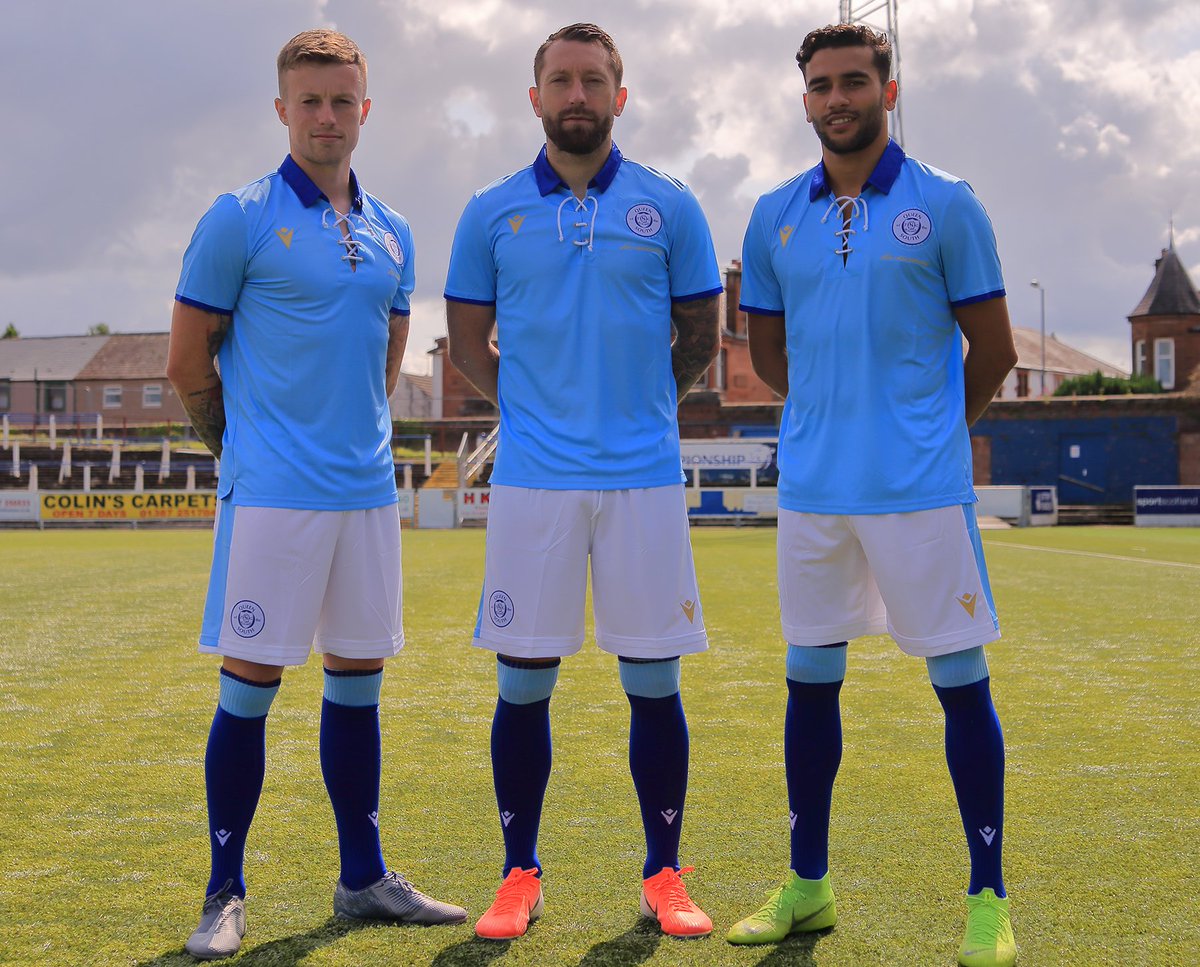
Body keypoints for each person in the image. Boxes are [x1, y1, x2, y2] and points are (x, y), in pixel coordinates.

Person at [167, 28, 466, 961]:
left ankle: (363, 876)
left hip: (365, 496)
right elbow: (186, 364)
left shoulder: (393, 229)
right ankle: (224, 891)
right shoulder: (239, 217)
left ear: (364, 110)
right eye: (310, 101)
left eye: (343, 101)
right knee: (251, 688)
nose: (327, 117)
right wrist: (241, 448)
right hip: (272, 499)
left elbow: (386, 351)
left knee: (357, 687)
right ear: (282, 109)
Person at [725, 24, 1020, 967]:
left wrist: (926, 429)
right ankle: (808, 884)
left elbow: (998, 350)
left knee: (959, 686)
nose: (838, 98)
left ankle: (988, 897)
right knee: (810, 683)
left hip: (920, 496)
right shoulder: (774, 213)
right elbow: (768, 356)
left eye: (856, 81)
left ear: (888, 91)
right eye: (821, 85)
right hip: (815, 491)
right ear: (804, 99)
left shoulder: (947, 205)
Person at [444, 22, 722, 942]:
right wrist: (537, 408)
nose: (576, 95)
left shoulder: (670, 206)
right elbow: (471, 329)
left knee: (654, 681)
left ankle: (664, 871)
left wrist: (639, 406)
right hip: (534, 483)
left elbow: (697, 336)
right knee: (523, 685)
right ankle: (518, 871)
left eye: (593, 81)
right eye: (560, 81)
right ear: (535, 97)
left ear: (620, 94)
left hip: (641, 478)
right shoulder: (489, 212)